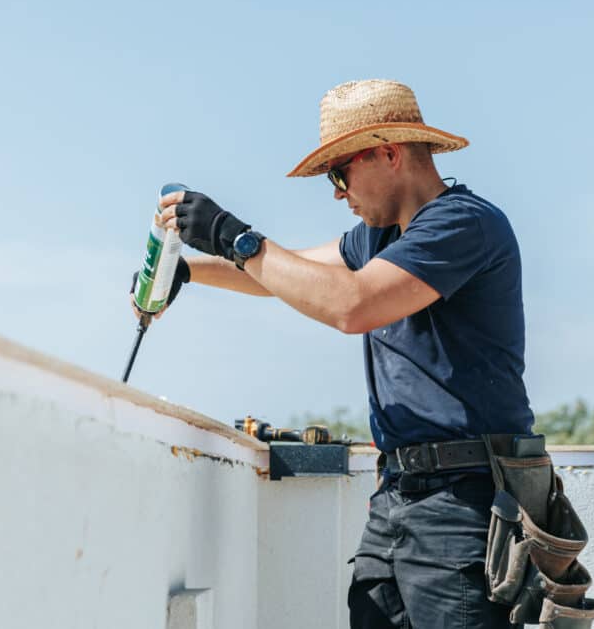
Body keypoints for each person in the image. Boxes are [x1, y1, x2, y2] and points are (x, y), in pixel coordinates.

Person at [145, 79, 537, 628]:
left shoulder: (463, 224)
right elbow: (286, 274)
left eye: (339, 172)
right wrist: (189, 268)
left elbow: (352, 306)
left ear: (389, 153)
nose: (336, 192)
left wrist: (233, 236)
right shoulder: (376, 239)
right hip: (396, 499)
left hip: (465, 505)